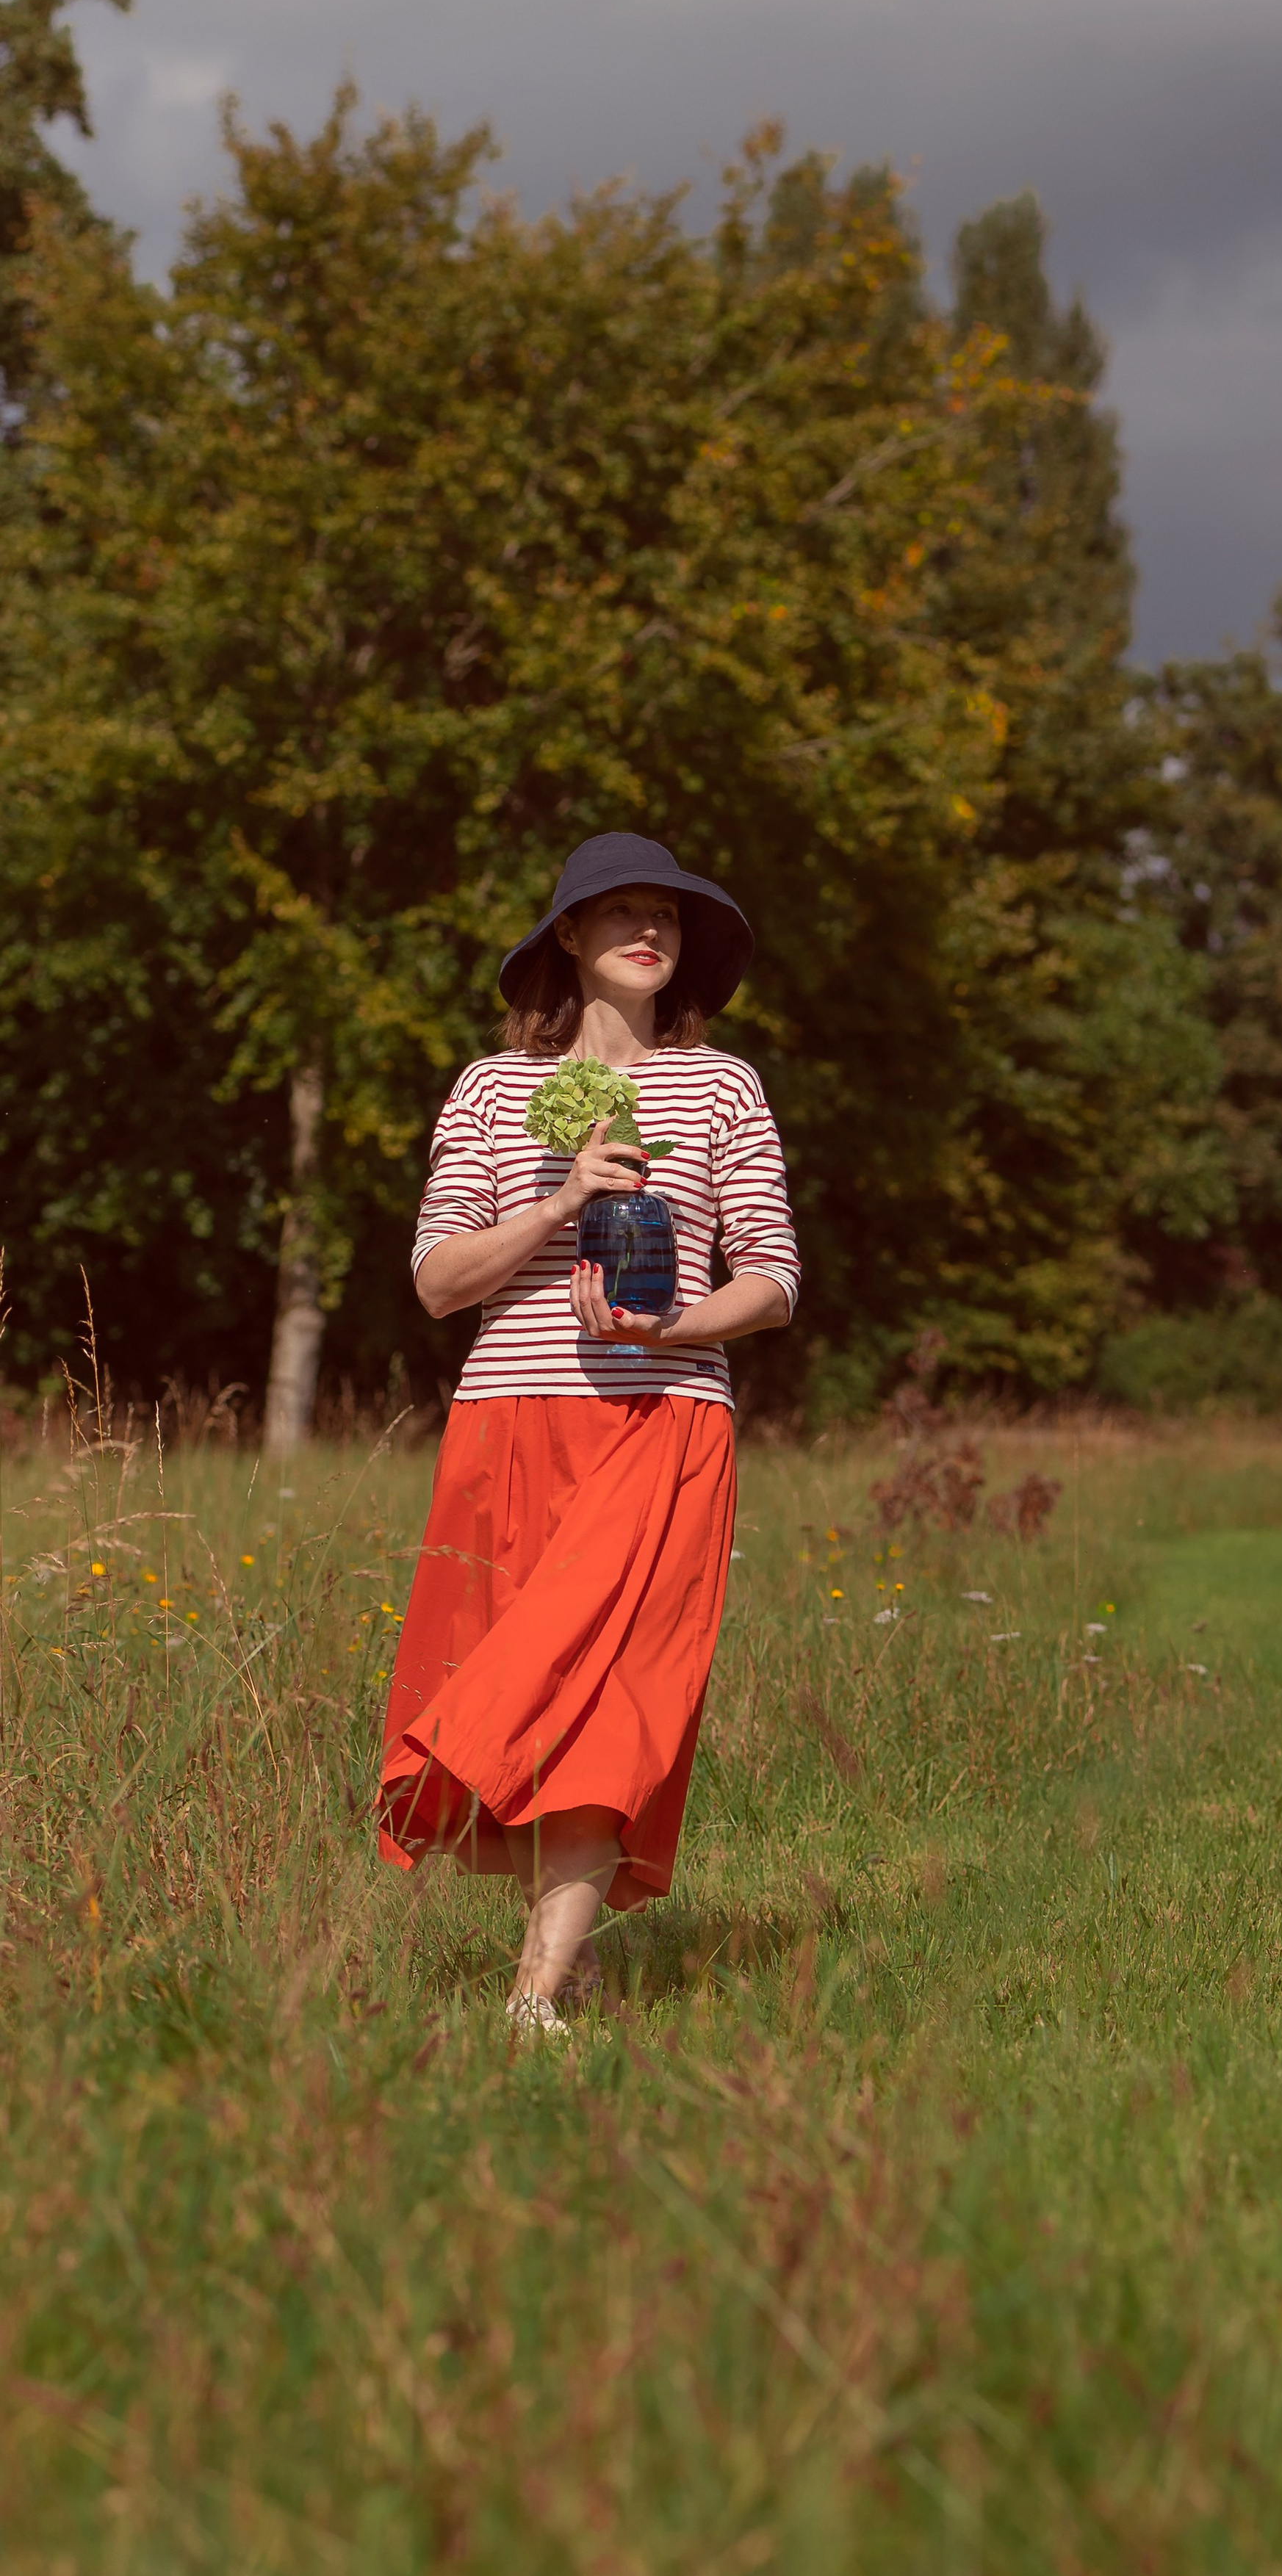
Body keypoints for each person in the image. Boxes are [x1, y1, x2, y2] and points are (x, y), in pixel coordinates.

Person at [375, 831, 799, 2035]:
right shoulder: (490, 1089)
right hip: (514, 1424)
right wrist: (561, 1201)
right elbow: (439, 1280)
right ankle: (569, 1956)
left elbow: (772, 1274)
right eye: (618, 912)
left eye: (665, 914)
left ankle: (533, 1997)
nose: (647, 930)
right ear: (567, 937)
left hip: (669, 1424)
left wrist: (676, 1328)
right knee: (520, 1698)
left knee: (621, 1703)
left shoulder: (724, 1087)